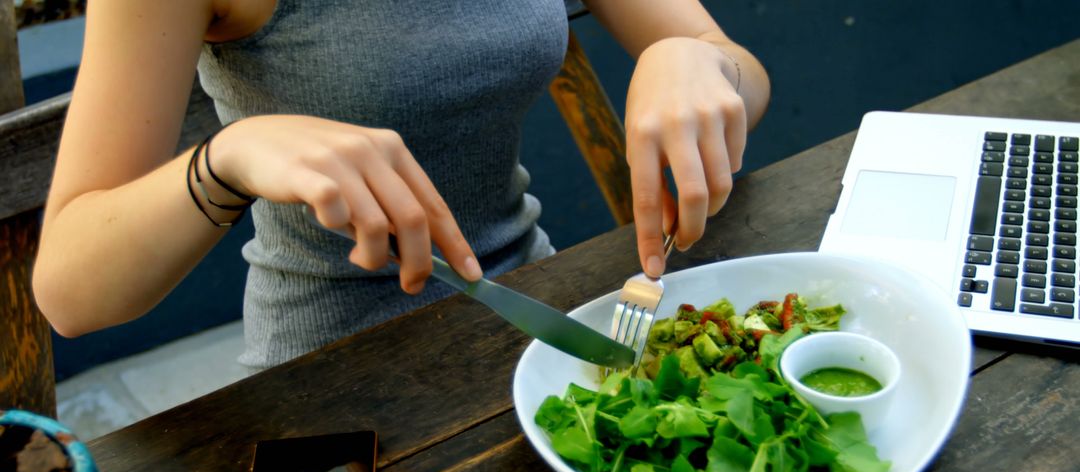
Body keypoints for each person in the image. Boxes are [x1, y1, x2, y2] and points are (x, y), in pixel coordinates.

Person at [32, 0, 769, 372]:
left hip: (544, 331)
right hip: (339, 385)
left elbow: (732, 61)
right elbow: (71, 290)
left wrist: (699, 59)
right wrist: (229, 155)